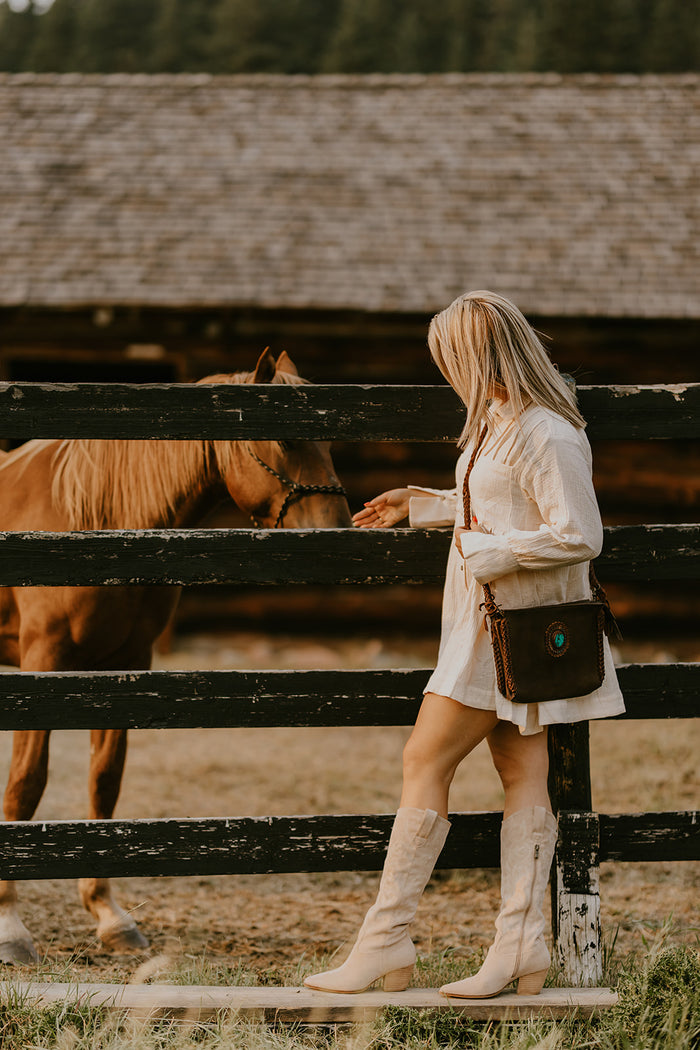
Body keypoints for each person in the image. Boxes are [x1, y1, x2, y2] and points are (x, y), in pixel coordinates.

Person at [303, 290, 625, 999]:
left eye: (452, 357)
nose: (448, 372)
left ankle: (387, 943)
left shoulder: (548, 431)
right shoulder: (496, 423)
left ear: (481, 355)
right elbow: (502, 501)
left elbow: (581, 534)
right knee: (521, 774)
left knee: (424, 757)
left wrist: (494, 554)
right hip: (488, 619)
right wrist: (423, 503)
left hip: (505, 625)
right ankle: (522, 947)